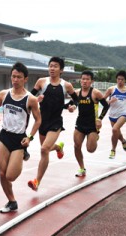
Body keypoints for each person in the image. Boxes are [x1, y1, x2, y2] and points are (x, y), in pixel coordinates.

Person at [0, 62, 41, 213]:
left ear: (25, 79)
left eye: (19, 77)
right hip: (5, 136)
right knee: (2, 173)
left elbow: (38, 120)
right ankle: (12, 201)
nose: (15, 80)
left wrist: (30, 137)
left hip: (19, 139)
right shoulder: (4, 94)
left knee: (10, 176)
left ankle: (22, 154)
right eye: (13, 76)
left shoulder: (30, 99)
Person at [27, 56, 78, 191]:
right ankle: (58, 148)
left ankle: (37, 181)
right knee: (46, 149)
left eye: (55, 66)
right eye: (50, 66)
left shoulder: (66, 85)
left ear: (61, 70)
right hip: (42, 121)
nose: (52, 68)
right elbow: (29, 98)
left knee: (44, 149)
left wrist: (72, 106)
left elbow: (76, 99)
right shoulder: (41, 82)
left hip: (56, 122)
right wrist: (36, 99)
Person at [73, 70, 109, 177]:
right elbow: (72, 103)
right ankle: (81, 168)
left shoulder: (95, 93)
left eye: (87, 79)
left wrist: (100, 119)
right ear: (80, 80)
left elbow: (106, 106)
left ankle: (95, 137)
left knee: (90, 149)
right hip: (80, 124)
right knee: (76, 146)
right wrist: (70, 107)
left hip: (92, 125)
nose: (84, 81)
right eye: (83, 79)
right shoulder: (77, 93)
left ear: (91, 81)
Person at [103, 70, 126, 159]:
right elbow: (102, 101)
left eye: (122, 79)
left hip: (123, 114)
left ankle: (113, 150)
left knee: (114, 130)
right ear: (116, 79)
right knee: (117, 132)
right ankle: (123, 140)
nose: (120, 81)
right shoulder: (111, 89)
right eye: (118, 79)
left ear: (125, 80)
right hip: (112, 115)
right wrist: (110, 101)